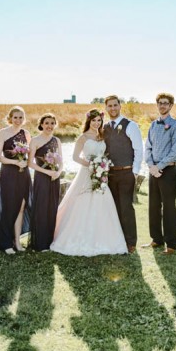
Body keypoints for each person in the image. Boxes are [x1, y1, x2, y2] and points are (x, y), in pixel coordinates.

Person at [51, 109, 128, 256]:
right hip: (86, 174)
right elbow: (74, 157)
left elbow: (105, 154)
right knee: (82, 202)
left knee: (102, 201)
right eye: (94, 121)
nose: (97, 123)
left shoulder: (102, 135)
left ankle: (105, 239)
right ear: (89, 121)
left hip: (101, 175)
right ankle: (76, 239)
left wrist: (101, 165)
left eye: (99, 120)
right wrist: (91, 165)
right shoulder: (83, 137)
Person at [141, 93, 176, 255]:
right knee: (154, 206)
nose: (163, 106)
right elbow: (148, 148)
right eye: (160, 103)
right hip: (154, 171)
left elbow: (175, 151)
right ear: (157, 105)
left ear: (171, 105)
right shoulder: (153, 125)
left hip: (168, 171)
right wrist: (151, 166)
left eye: (166, 103)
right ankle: (156, 239)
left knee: (169, 207)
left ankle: (171, 244)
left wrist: (160, 166)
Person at [103, 95, 143, 253]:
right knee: (113, 207)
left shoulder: (130, 125)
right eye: (109, 106)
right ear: (106, 108)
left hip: (127, 172)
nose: (112, 108)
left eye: (115, 105)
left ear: (120, 106)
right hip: (110, 174)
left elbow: (138, 149)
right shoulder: (105, 127)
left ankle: (130, 242)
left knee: (126, 207)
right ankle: (117, 240)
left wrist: (135, 172)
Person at [0, 106, 32, 254]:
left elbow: (29, 154)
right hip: (9, 172)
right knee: (9, 207)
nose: (18, 120)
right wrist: (15, 162)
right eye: (15, 117)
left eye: (21, 117)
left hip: (23, 173)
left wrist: (24, 162)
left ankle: (17, 241)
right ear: (10, 118)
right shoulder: (3, 132)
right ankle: (5, 242)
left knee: (21, 207)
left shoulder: (26, 133)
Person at [28, 113, 63, 251]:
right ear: (41, 124)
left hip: (55, 177)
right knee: (41, 208)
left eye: (52, 123)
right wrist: (47, 172)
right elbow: (30, 163)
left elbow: (61, 161)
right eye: (47, 123)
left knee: (52, 207)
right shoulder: (35, 140)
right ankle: (40, 243)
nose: (49, 126)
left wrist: (58, 172)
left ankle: (50, 241)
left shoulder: (57, 141)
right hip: (42, 177)